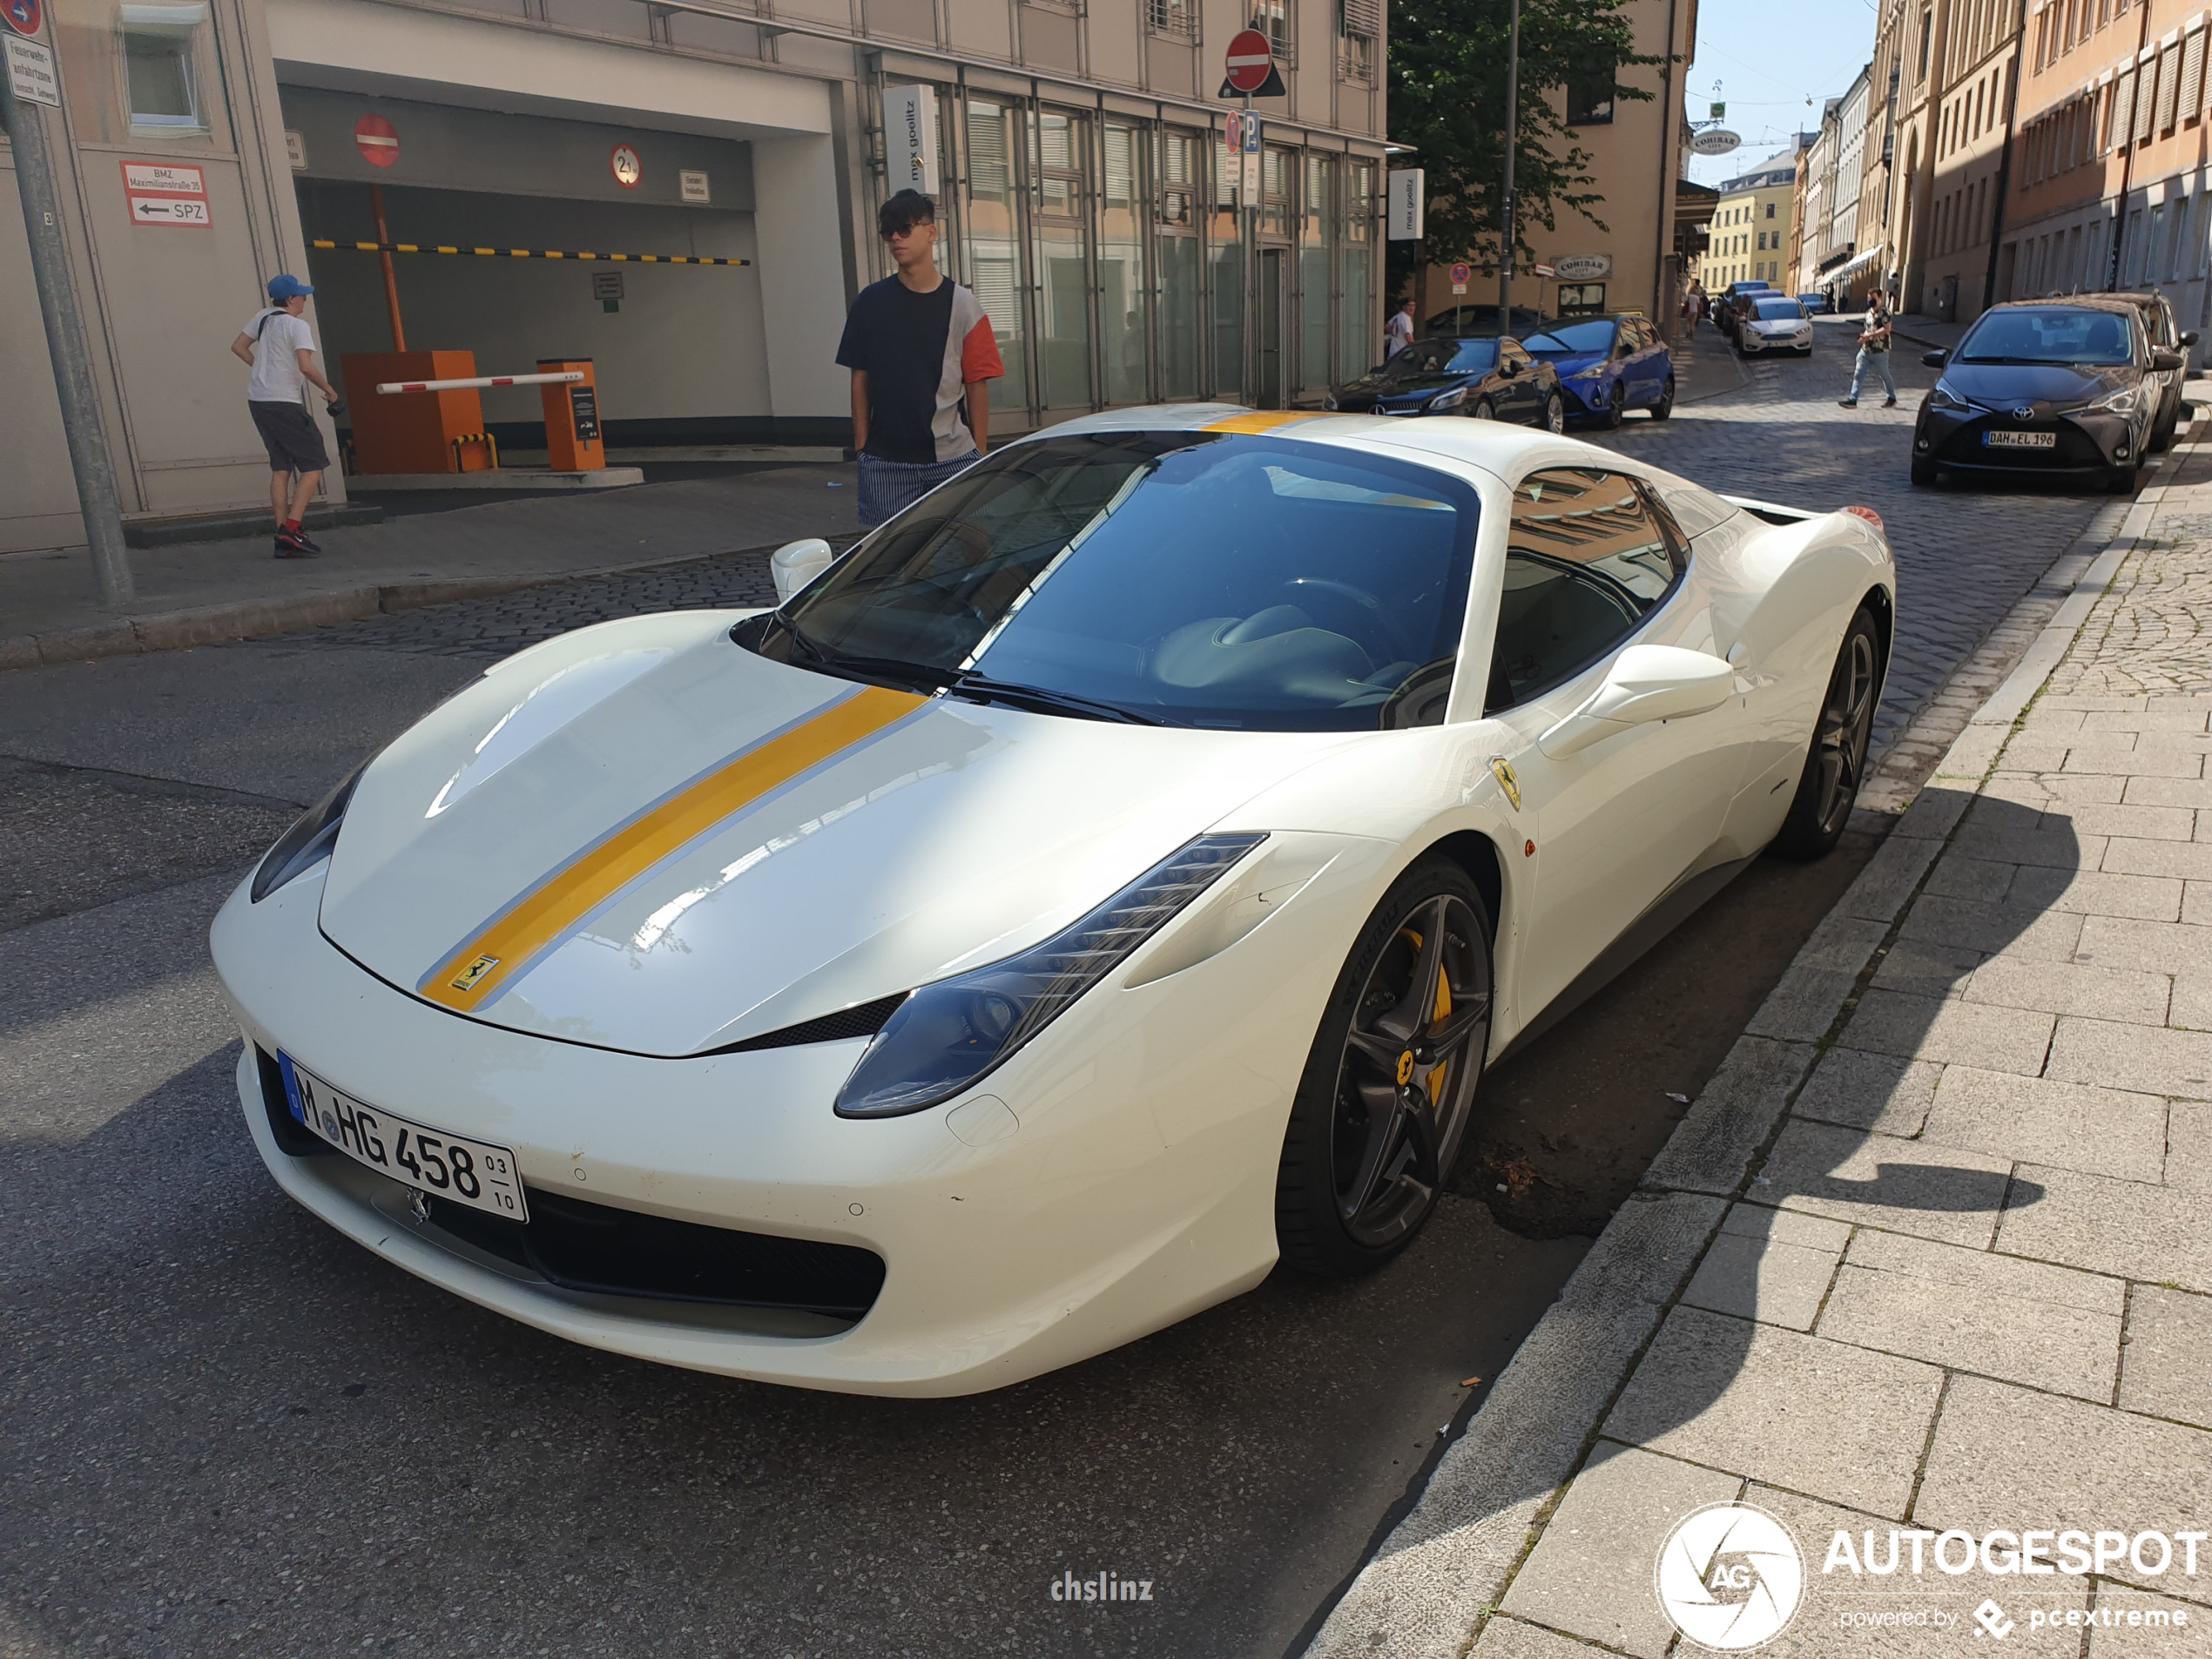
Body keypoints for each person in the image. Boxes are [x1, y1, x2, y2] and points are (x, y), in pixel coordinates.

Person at [836, 190, 1005, 529]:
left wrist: (981, 453)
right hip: (886, 461)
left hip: (953, 456)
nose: (896, 238)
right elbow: (860, 377)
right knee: (886, 554)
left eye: (905, 228)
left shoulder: (963, 305)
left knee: (975, 542)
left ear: (931, 232)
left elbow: (977, 382)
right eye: (888, 231)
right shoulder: (870, 303)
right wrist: (862, 447)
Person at [231, 274, 342, 558]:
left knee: (281, 467)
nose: (305, 299)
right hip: (284, 403)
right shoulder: (297, 325)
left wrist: (261, 370)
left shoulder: (264, 317)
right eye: (302, 295)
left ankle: (281, 534)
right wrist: (330, 390)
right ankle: (292, 529)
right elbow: (306, 366)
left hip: (258, 401)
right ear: (291, 299)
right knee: (314, 463)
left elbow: (238, 347)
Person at [1838, 288, 1897, 408]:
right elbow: (1868, 328)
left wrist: (1870, 336)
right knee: (1858, 373)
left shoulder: (1884, 312)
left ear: (1879, 298)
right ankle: (1853, 400)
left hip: (1880, 350)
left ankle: (1891, 397)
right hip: (1866, 350)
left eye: (1872, 298)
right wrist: (1864, 337)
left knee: (1884, 374)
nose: (1870, 300)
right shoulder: (1869, 312)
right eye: (1869, 298)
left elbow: (1887, 329)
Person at [1385, 295, 1416, 360]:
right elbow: (1408, 337)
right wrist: (1416, 348)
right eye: (1409, 305)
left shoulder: (1398, 316)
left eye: (1413, 305)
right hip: (1402, 353)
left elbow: (1387, 327)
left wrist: (1395, 333)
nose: (1412, 308)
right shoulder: (1406, 319)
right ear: (1403, 307)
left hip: (1393, 351)